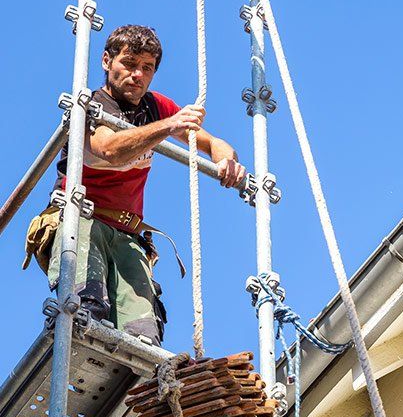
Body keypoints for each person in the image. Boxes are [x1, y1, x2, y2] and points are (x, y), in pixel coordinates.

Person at [26, 25, 246, 344]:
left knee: (144, 332)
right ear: (107, 61)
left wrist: (226, 159)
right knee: (86, 312)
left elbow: (213, 142)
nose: (137, 75)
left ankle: (136, 390)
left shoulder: (154, 108)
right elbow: (110, 149)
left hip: (127, 233)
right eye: (129, 63)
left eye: (147, 68)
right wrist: (170, 126)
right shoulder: (91, 106)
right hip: (84, 221)